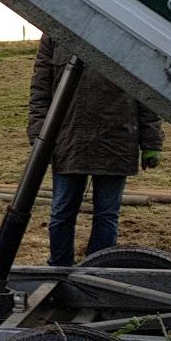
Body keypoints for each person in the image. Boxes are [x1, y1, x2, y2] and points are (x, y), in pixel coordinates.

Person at [27, 36, 162, 266]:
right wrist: (39, 136)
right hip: (69, 140)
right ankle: (59, 267)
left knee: (107, 215)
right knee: (61, 212)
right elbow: (40, 90)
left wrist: (151, 142)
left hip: (116, 138)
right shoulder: (55, 34)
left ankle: (98, 269)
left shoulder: (125, 36)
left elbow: (146, 93)